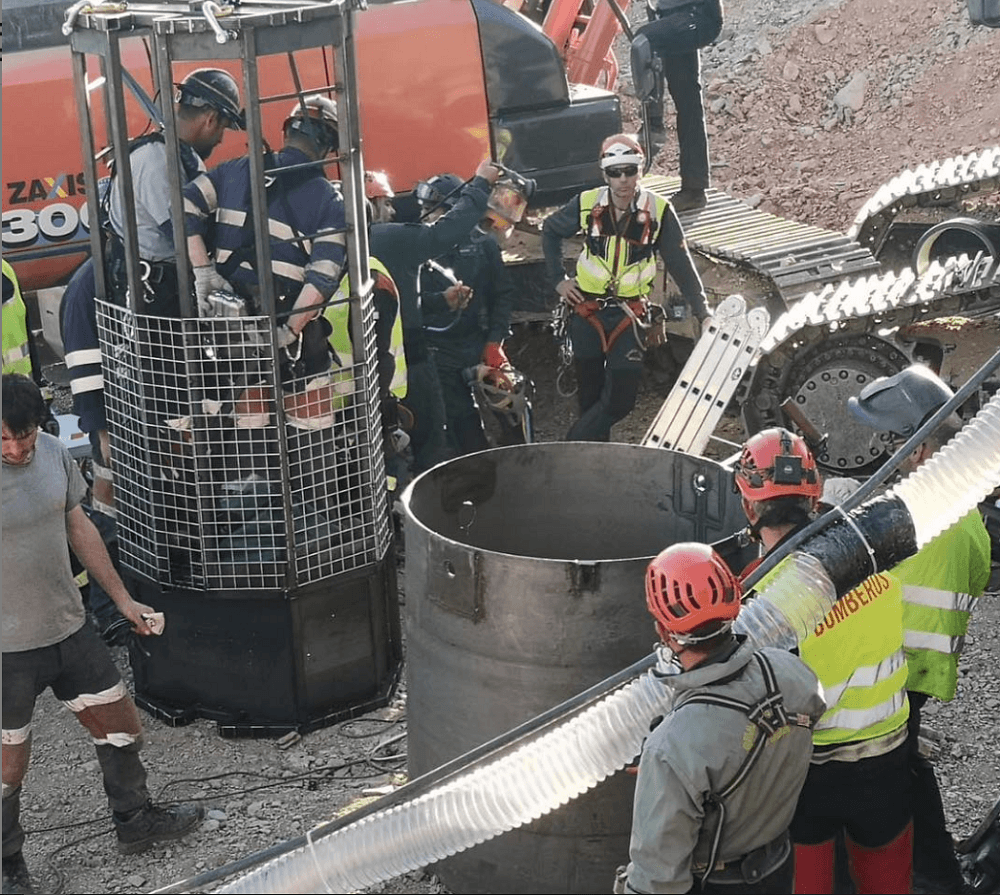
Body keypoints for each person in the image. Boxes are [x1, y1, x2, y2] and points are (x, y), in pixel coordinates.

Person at [2, 374, 203, 895]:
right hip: (6, 652)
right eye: (3, 439)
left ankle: (135, 820)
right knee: (6, 765)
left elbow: (79, 526)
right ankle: (8, 865)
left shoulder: (50, 453)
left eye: (23, 434)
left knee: (120, 726)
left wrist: (122, 600)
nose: (17, 448)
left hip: (70, 630)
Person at [733, 427, 914, 894]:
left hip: (811, 775)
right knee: (887, 882)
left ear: (748, 506)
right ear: (814, 498)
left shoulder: (763, 605)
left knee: (808, 884)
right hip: (889, 757)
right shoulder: (868, 556)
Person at [849, 363, 992, 894]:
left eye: (887, 443)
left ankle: (930, 875)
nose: (876, 456)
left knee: (879, 773)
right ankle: (935, 872)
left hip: (893, 669)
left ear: (919, 450)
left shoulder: (921, 519)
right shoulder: (964, 516)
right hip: (918, 669)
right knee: (903, 764)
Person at [621, 542, 825, 894]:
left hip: (716, 884)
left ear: (665, 633)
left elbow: (658, 881)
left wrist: (671, 769)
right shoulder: (792, 674)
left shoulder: (671, 748)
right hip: (777, 866)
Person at [541, 133, 709, 442]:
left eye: (629, 170)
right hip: (586, 310)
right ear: (604, 174)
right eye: (614, 172)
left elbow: (680, 263)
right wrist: (558, 281)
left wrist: (703, 311)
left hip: (628, 315)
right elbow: (550, 231)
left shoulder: (658, 210)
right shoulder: (588, 203)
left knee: (621, 399)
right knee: (590, 397)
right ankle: (593, 464)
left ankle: (570, 447)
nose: (622, 180)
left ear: (640, 170)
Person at [185, 94, 347, 393]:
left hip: (226, 324)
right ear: (329, 148)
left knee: (246, 420)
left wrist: (203, 272)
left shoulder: (233, 170)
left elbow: (183, 206)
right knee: (308, 423)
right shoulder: (330, 200)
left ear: (286, 132)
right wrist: (289, 331)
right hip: (283, 329)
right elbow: (322, 278)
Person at [369, 159, 502, 473]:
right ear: (371, 204)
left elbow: (390, 304)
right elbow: (445, 234)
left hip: (365, 368)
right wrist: (480, 184)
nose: (391, 210)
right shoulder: (388, 237)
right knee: (429, 445)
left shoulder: (339, 246)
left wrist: (441, 302)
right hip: (408, 365)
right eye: (385, 203)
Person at [107, 68, 243, 315]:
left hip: (164, 287)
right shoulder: (158, 161)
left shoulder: (177, 156)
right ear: (210, 119)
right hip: (153, 296)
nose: (220, 139)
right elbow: (182, 230)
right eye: (222, 129)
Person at [416, 174, 523, 455]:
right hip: (438, 351)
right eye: (423, 208)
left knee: (512, 409)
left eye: (433, 209)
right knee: (464, 431)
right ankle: (478, 480)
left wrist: (495, 341)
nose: (425, 216)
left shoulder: (483, 244)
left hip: (479, 342)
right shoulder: (415, 248)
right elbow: (413, 303)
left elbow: (503, 294)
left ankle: (522, 461)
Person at [634, 0, 723, 211]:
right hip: (673, 17)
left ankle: (653, 127)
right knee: (687, 99)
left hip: (695, 16)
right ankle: (694, 189)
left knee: (643, 41)